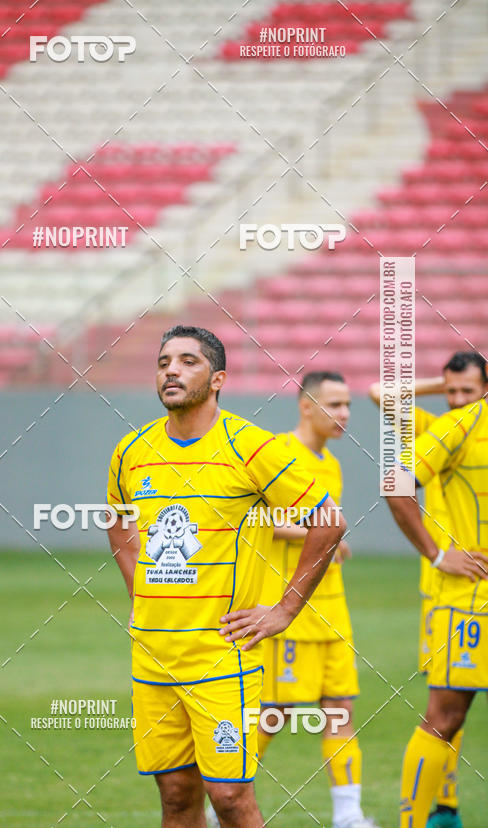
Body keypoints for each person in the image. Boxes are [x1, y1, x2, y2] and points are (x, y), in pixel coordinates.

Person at [106, 325, 346, 828]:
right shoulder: (131, 450)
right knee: (175, 795)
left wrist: (284, 609)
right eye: (164, 361)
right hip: (152, 654)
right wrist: (138, 591)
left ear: (217, 379)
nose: (171, 370)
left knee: (231, 798)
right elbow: (118, 521)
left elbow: (329, 521)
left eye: (188, 361)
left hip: (221, 655)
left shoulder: (252, 447)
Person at [370, 351, 487, 828]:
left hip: (462, 592)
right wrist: (439, 554)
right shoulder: (445, 426)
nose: (457, 400)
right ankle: (419, 818)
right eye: (451, 391)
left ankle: (446, 806)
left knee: (454, 708)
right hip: (457, 593)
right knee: (446, 710)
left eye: (467, 390)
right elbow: (382, 395)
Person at [257, 371, 378, 828]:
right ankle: (221, 799)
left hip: (332, 608)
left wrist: (330, 539)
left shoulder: (331, 462)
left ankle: (348, 815)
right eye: (335, 404)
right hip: (290, 610)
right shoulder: (276, 453)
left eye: (348, 404)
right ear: (306, 406)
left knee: (341, 707)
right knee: (274, 713)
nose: (345, 413)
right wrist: (325, 534)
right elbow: (259, 521)